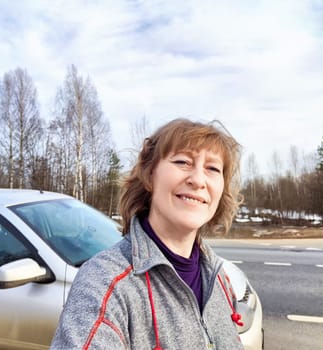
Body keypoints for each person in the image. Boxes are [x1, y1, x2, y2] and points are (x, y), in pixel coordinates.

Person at [51, 118, 244, 349]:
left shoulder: (218, 277)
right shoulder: (105, 284)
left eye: (212, 168)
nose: (198, 180)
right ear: (150, 174)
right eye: (183, 162)